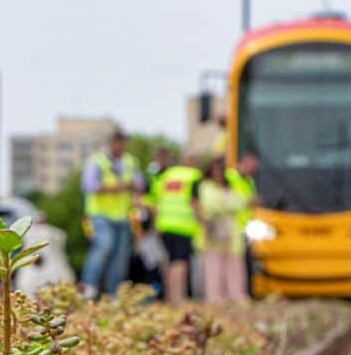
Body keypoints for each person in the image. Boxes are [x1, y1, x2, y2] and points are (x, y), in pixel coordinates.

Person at [81, 130, 144, 299]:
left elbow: (139, 184)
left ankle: (113, 294)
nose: (122, 147)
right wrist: (121, 186)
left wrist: (136, 194)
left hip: (123, 216)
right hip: (99, 215)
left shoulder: (130, 161)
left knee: (120, 257)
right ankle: (89, 286)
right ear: (110, 143)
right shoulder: (97, 161)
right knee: (103, 246)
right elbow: (90, 186)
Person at [152, 152, 203, 304]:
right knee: (180, 262)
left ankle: (169, 296)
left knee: (170, 261)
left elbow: (156, 200)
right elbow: (194, 202)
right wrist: (203, 222)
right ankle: (178, 296)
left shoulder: (168, 175)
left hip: (165, 223)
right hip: (183, 225)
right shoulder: (194, 175)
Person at [198, 157, 248, 303]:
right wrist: (228, 204)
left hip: (231, 233)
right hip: (213, 231)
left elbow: (240, 203)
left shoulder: (229, 187)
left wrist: (224, 204)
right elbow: (210, 205)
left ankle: (235, 294)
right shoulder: (206, 186)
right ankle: (214, 296)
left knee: (233, 264)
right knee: (213, 265)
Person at [226, 152, 259, 297]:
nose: (253, 169)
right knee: (233, 262)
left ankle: (246, 291)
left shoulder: (249, 180)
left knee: (246, 261)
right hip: (231, 227)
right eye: (251, 165)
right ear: (244, 161)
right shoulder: (230, 177)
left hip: (245, 227)